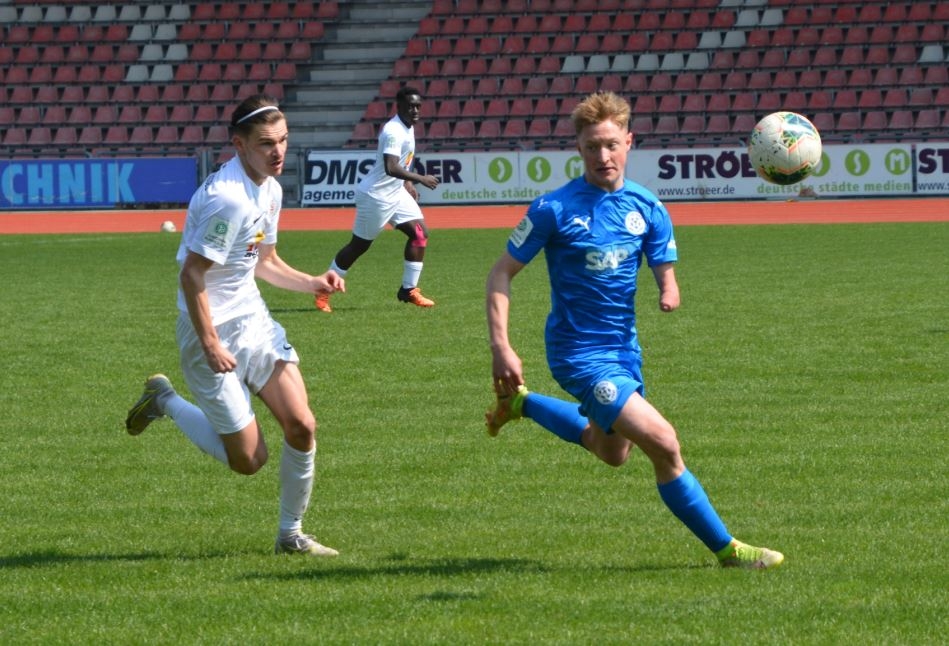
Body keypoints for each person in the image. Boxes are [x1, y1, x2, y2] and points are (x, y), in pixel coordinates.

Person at [484, 91, 783, 570]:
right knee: (664, 442)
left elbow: (662, 259)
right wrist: (501, 346)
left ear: (628, 141)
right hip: (577, 354)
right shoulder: (552, 209)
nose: (602, 156)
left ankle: (521, 403)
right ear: (578, 149)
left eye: (610, 145)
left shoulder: (647, 205)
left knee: (610, 452)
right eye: (591, 147)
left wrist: (669, 287)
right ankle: (729, 550)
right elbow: (500, 273)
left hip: (625, 350)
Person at [125, 95, 345, 557]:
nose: (278, 151)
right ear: (239, 144)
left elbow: (263, 261)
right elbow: (192, 275)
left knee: (302, 425)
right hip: (208, 330)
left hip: (253, 320)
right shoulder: (227, 200)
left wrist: (311, 282)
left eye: (283, 140)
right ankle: (164, 400)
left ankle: (291, 536)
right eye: (266, 143)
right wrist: (209, 342)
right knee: (249, 460)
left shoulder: (271, 189)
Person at [314, 85, 440, 312]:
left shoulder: (408, 126)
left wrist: (407, 183)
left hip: (396, 192)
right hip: (377, 196)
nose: (415, 110)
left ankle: (408, 290)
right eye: (410, 106)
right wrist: (420, 178)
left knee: (420, 234)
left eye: (418, 106)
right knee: (359, 246)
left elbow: (403, 161)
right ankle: (323, 289)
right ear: (399, 106)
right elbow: (391, 167)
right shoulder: (393, 131)